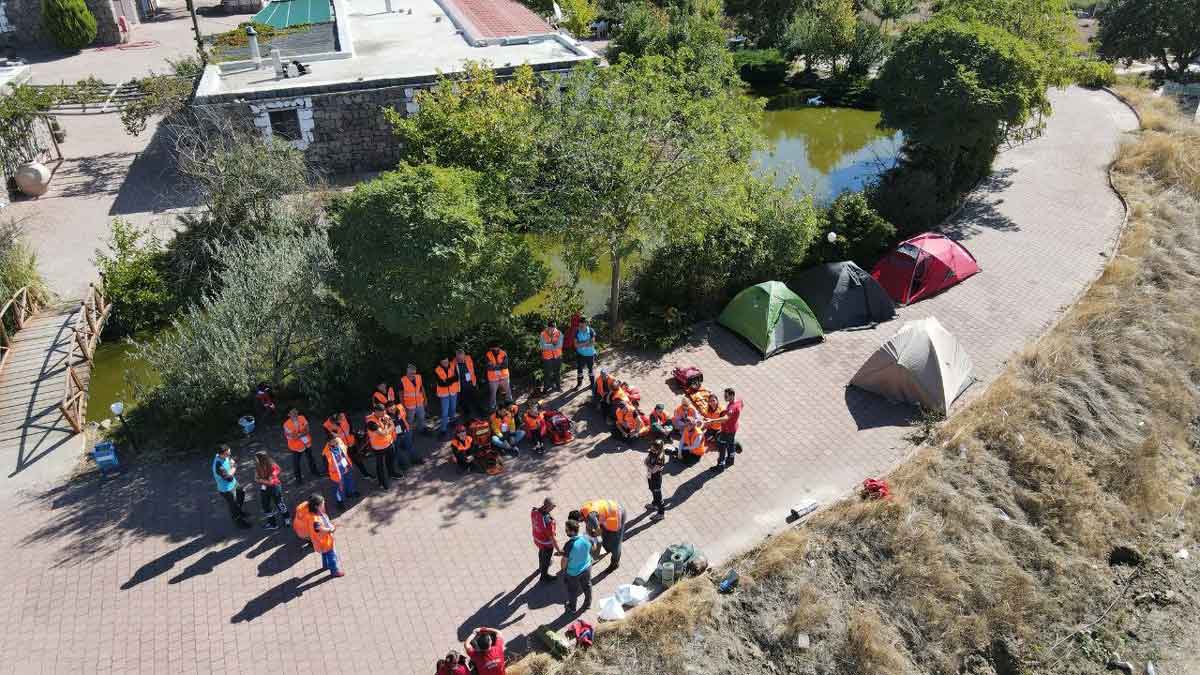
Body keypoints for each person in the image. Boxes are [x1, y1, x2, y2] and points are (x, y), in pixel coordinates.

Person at [561, 519, 599, 614]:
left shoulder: (569, 544)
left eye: (567, 530)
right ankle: (588, 604)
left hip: (573, 573)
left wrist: (563, 570)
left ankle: (572, 608)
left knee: (573, 591)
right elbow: (594, 548)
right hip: (587, 568)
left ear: (572, 531)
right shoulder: (586, 537)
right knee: (587, 586)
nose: (566, 531)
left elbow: (564, 561)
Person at [579, 499, 625, 572]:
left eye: (580, 521)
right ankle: (607, 547)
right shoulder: (584, 510)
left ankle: (615, 564)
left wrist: (592, 535)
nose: (580, 522)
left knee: (616, 544)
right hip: (609, 512)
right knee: (605, 535)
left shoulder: (591, 517)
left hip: (617, 515)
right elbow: (590, 526)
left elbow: (598, 532)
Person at [212, 445, 250, 528]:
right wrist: (234, 467)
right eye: (228, 453)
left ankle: (239, 511)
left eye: (229, 452)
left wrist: (231, 463)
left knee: (241, 492)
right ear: (222, 454)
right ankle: (239, 522)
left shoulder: (224, 455)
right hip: (226, 489)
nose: (229, 454)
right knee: (233, 506)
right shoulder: (218, 466)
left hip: (234, 483)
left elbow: (231, 460)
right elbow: (228, 478)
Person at [308, 495, 345, 577]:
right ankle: (334, 571)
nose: (324, 504)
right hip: (324, 541)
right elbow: (320, 529)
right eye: (322, 504)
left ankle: (325, 565)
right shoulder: (316, 520)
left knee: (324, 554)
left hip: (320, 542)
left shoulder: (314, 514)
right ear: (317, 506)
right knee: (332, 556)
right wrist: (330, 530)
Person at [322, 434, 358, 510]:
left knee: (349, 481)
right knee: (339, 488)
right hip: (336, 473)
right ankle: (340, 502)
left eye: (336, 440)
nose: (336, 442)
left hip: (345, 466)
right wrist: (329, 474)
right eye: (334, 441)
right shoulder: (326, 453)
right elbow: (326, 466)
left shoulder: (339, 442)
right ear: (329, 442)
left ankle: (350, 493)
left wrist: (348, 464)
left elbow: (345, 453)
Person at [253, 451, 288, 530]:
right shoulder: (259, 465)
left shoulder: (270, 464)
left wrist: (271, 476)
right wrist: (260, 479)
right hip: (265, 487)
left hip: (274, 487)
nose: (255, 460)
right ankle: (273, 523)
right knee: (266, 505)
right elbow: (256, 477)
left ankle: (287, 519)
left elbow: (272, 478)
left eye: (256, 458)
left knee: (279, 503)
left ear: (261, 459)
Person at [283, 409, 318, 484]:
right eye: (293, 412)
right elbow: (292, 437)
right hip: (296, 447)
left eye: (296, 411)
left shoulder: (302, 417)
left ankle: (315, 472)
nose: (296, 413)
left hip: (306, 443)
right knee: (296, 463)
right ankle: (298, 480)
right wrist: (302, 433)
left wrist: (298, 434)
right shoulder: (286, 425)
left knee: (311, 458)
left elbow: (307, 429)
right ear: (288, 414)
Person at [712, 387, 743, 472]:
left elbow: (725, 418)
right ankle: (731, 459)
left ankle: (720, 466)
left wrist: (711, 421)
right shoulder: (739, 401)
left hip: (727, 431)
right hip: (733, 428)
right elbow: (741, 406)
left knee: (722, 448)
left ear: (732, 395)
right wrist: (735, 418)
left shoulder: (731, 408)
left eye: (726, 396)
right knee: (731, 443)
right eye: (724, 395)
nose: (725, 397)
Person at [366, 407, 397, 488]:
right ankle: (382, 483)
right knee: (380, 466)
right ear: (376, 412)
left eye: (384, 412)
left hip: (389, 443)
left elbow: (393, 426)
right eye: (382, 413)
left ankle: (392, 473)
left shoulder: (384, 416)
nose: (384, 415)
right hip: (379, 448)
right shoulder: (371, 422)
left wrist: (387, 430)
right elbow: (382, 433)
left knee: (390, 461)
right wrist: (387, 426)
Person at [531, 497, 560, 584]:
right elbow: (552, 538)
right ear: (547, 507)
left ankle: (540, 566)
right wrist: (559, 550)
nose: (554, 507)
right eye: (552, 507)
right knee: (546, 559)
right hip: (546, 543)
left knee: (541, 552)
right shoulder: (548, 521)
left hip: (537, 539)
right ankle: (544, 576)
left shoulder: (534, 511)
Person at [434, 356, 460, 438]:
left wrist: (447, 381)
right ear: (440, 363)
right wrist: (451, 380)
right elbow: (441, 383)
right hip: (444, 394)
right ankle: (443, 429)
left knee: (453, 408)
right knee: (444, 413)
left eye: (447, 361)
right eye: (444, 362)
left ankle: (452, 421)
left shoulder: (453, 365)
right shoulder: (437, 370)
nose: (446, 363)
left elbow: (457, 378)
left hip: (453, 392)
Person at [401, 364, 429, 436]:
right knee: (410, 421)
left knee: (422, 417)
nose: (412, 375)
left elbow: (422, 388)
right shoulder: (403, 380)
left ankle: (422, 430)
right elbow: (400, 394)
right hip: (409, 405)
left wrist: (425, 399)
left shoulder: (418, 377)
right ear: (407, 372)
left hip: (420, 403)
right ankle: (409, 435)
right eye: (410, 373)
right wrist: (403, 406)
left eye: (414, 373)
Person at [455, 348, 482, 418]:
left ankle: (480, 411)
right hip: (462, 385)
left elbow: (474, 368)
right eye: (459, 358)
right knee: (464, 400)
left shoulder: (469, 358)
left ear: (464, 355)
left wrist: (476, 380)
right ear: (456, 357)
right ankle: (467, 414)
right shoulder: (453, 363)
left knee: (476, 397)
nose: (461, 359)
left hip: (471, 382)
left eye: (462, 357)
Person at [645, 440, 668, 520]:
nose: (651, 451)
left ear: (659, 449)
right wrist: (649, 465)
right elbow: (646, 460)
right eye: (651, 449)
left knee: (658, 498)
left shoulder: (660, 458)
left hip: (656, 479)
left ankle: (661, 514)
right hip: (650, 476)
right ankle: (654, 505)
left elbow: (653, 470)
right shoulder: (653, 451)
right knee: (652, 489)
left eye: (654, 450)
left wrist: (648, 465)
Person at [539, 319, 564, 393]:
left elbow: (559, 345)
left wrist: (548, 345)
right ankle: (546, 388)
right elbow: (542, 346)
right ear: (548, 327)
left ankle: (558, 387)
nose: (552, 329)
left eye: (554, 327)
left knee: (557, 372)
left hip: (557, 356)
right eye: (551, 327)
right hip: (547, 357)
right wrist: (553, 345)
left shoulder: (559, 333)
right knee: (547, 373)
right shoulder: (543, 334)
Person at [484, 344, 511, 410]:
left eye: (496, 347)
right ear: (491, 348)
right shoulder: (488, 354)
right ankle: (493, 406)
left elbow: (505, 365)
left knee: (507, 390)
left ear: (498, 347)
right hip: (493, 378)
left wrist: (494, 366)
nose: (495, 348)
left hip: (504, 376)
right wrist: (499, 366)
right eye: (493, 347)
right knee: (493, 393)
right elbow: (488, 367)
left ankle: (509, 402)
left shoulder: (503, 353)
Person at [574, 316, 597, 390]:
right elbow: (576, 345)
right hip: (580, 354)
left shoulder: (591, 330)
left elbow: (592, 343)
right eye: (580, 324)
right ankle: (579, 384)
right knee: (579, 370)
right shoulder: (577, 331)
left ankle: (592, 384)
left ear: (586, 324)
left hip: (590, 354)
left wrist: (581, 344)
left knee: (590, 369)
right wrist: (586, 342)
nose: (581, 325)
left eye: (582, 324)